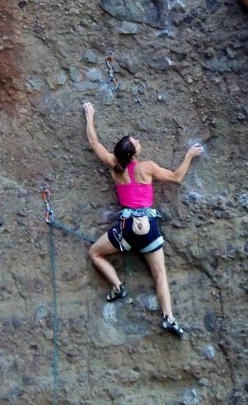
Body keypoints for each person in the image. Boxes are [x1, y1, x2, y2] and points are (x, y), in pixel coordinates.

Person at [83, 101, 203, 339]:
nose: (138, 140)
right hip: (148, 228)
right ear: (134, 153)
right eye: (135, 141)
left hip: (127, 229)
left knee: (95, 253)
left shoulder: (113, 165)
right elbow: (176, 177)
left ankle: (118, 286)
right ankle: (169, 317)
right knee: (160, 274)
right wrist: (189, 155)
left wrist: (90, 117)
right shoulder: (147, 168)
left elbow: (94, 143)